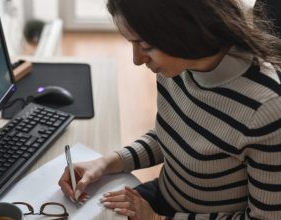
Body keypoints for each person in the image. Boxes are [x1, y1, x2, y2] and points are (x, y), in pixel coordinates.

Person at [58, 0, 281, 219]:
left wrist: (157, 219)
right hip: (164, 198)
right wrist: (105, 163)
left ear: (186, 30)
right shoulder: (178, 66)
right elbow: (174, 135)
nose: (137, 60)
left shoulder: (267, 108)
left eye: (146, 46)